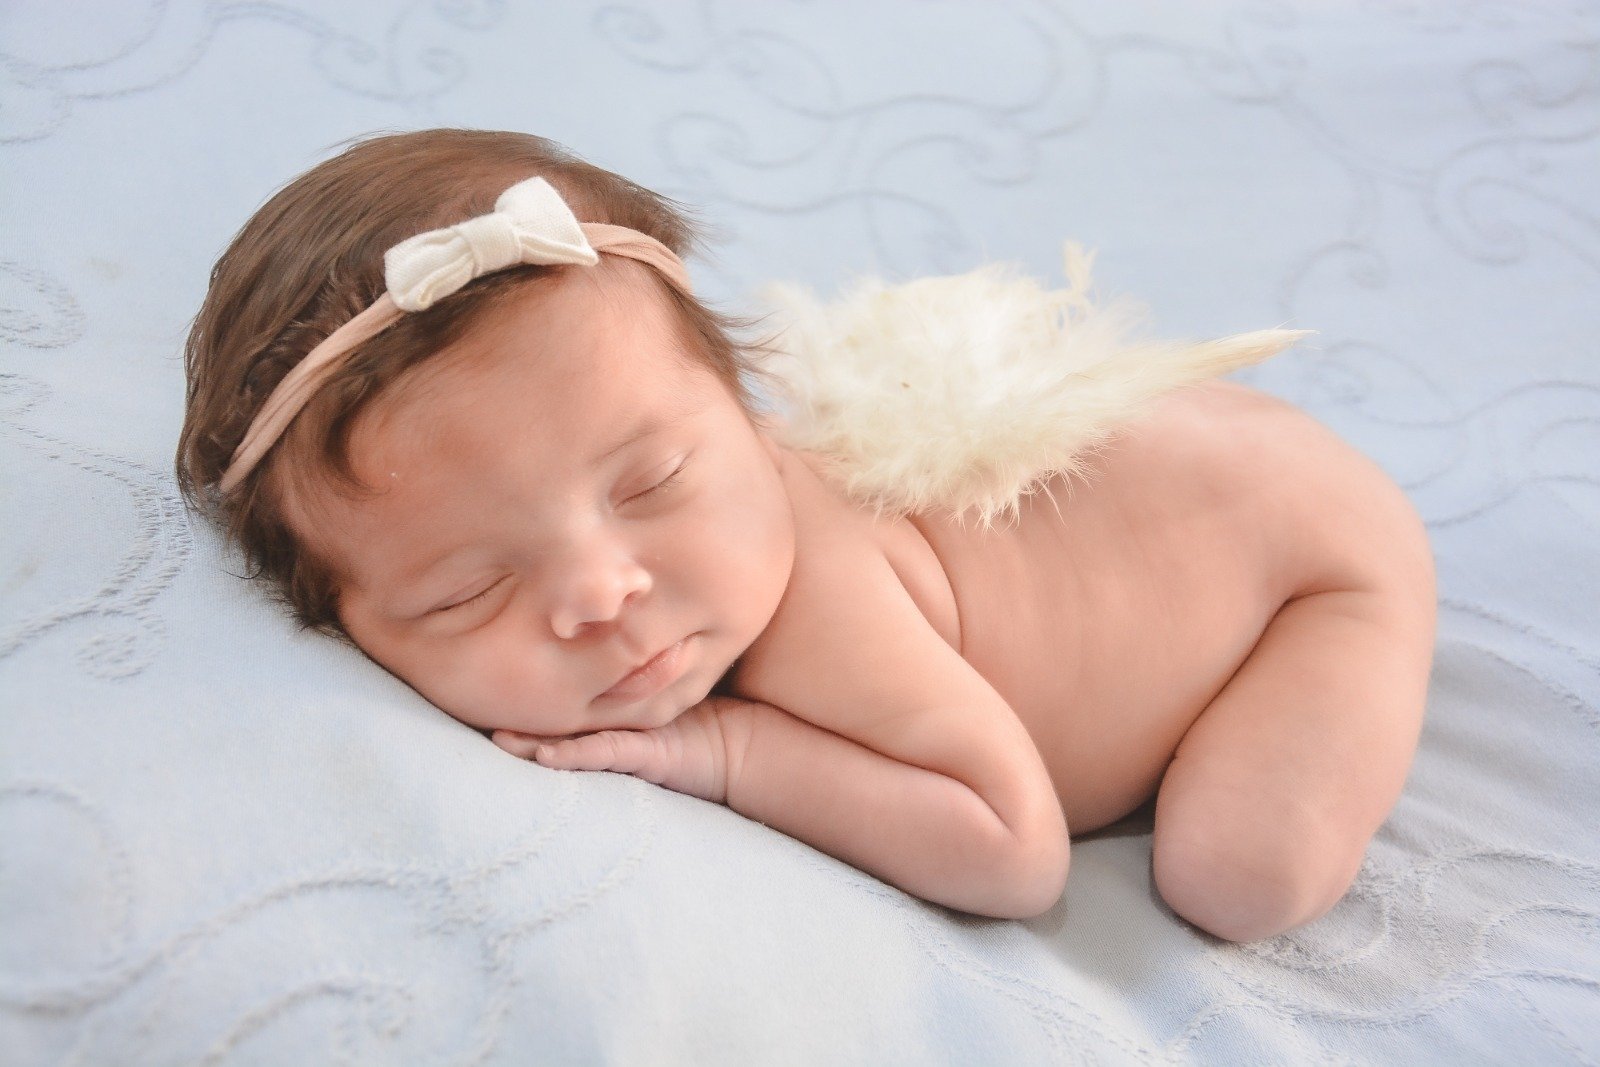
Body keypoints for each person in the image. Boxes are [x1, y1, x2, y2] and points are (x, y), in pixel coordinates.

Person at [176, 129, 1437, 941]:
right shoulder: (686, 536)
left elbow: (1012, 852)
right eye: (467, 590)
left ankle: (1378, 612)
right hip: (1197, 495)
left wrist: (726, 750)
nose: (605, 593)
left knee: (1236, 874)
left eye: (655, 479)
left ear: (742, 409)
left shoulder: (817, 599)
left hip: (1299, 557)